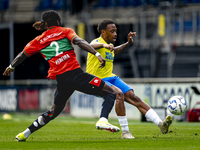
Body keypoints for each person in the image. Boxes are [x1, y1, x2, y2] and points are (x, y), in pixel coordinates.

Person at [3, 11, 120, 142]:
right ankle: (103, 120)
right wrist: (97, 54)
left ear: (46, 24)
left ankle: (25, 133)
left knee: (53, 111)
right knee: (111, 92)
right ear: (58, 21)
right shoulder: (65, 31)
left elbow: (22, 55)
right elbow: (79, 42)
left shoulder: (39, 40)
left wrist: (11, 66)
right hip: (76, 75)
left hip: (62, 80)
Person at [86, 20, 172, 139]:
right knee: (119, 94)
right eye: (112, 31)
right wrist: (103, 45)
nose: (115, 34)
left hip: (110, 77)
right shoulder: (97, 42)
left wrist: (128, 43)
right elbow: (89, 46)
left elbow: (114, 51)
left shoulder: (110, 46)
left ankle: (160, 124)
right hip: (96, 80)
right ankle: (125, 132)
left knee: (133, 97)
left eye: (116, 31)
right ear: (103, 32)